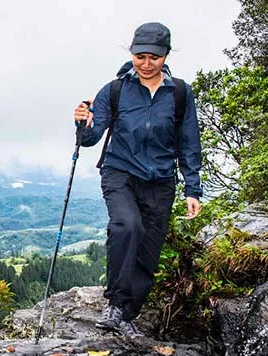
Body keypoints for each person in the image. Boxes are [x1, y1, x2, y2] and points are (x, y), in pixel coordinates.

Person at [73, 22, 202, 338]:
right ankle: (115, 304)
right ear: (131, 53)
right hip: (120, 173)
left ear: (166, 56)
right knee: (127, 226)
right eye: (140, 56)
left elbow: (188, 142)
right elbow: (90, 138)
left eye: (154, 57)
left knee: (148, 251)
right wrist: (82, 123)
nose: (146, 64)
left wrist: (192, 188)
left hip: (160, 181)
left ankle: (129, 315)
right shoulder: (114, 90)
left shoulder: (180, 93)